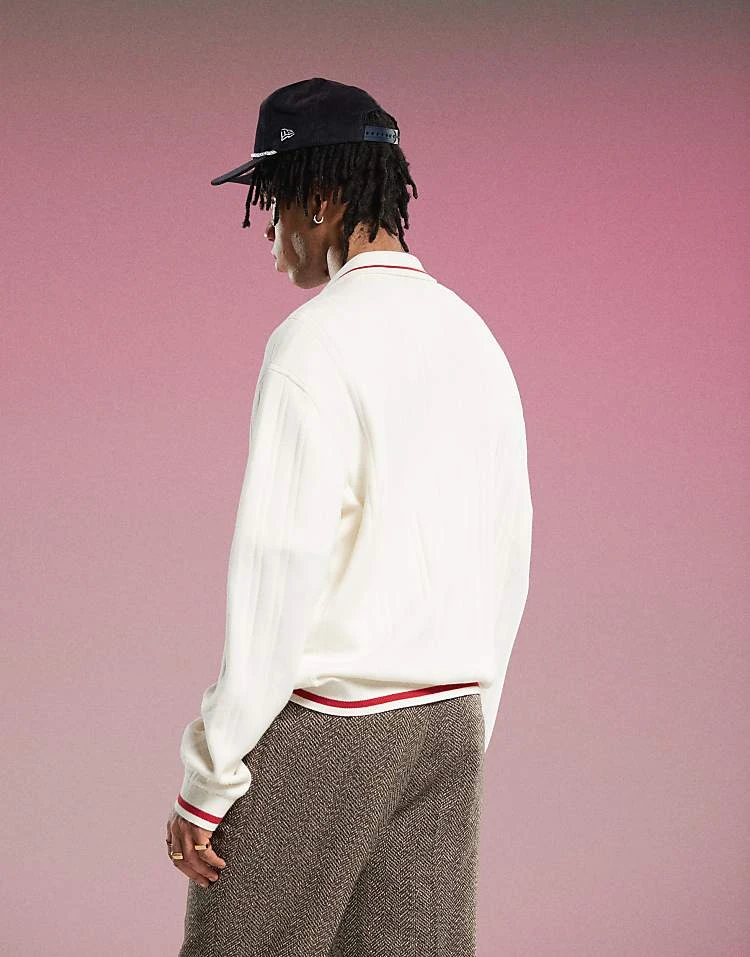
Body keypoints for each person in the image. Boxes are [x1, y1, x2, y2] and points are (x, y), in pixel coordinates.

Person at [166, 76, 533, 956]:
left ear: (324, 199)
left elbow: (279, 566)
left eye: (275, 203)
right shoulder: (473, 337)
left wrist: (209, 777)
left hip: (331, 724)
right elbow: (509, 544)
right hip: (446, 721)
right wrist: (473, 712)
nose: (270, 236)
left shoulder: (313, 342)